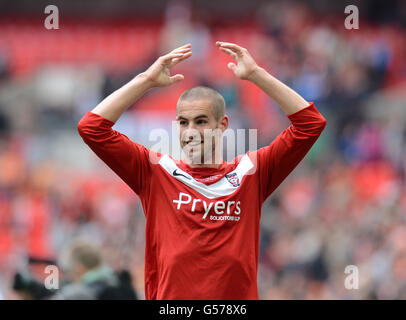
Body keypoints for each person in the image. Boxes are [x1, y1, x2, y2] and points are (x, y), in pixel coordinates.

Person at [77, 42, 327, 299]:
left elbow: (310, 123)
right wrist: (145, 80)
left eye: (201, 121)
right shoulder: (157, 173)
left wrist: (256, 75)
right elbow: (92, 128)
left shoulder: (250, 173)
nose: (192, 131)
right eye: (184, 123)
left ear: (223, 124)